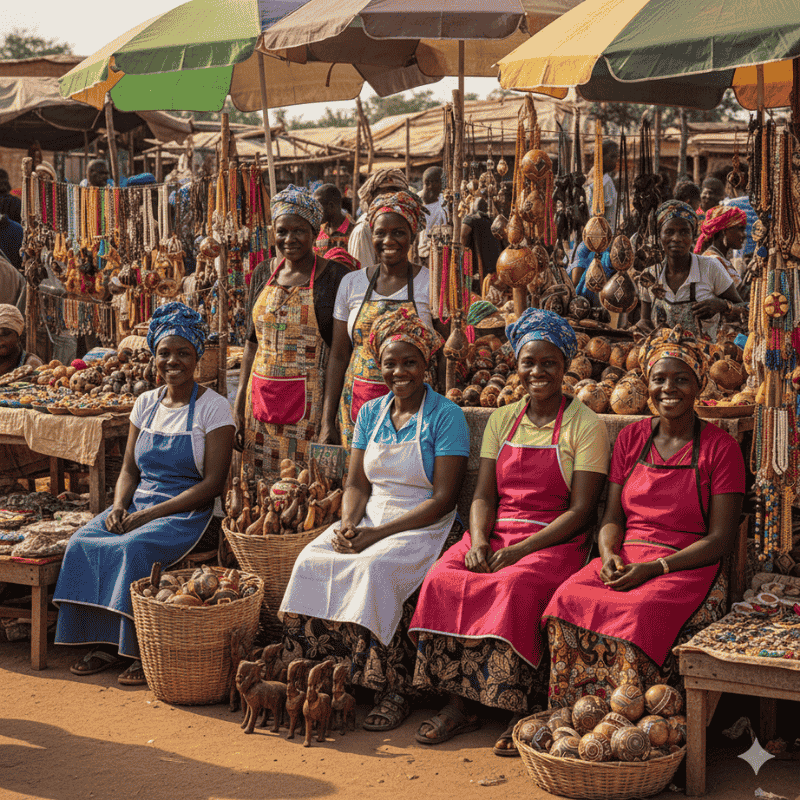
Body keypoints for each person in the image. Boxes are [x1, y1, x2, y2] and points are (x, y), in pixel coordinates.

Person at [410, 308, 610, 755]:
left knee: (514, 587)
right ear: (516, 366)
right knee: (445, 578)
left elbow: (579, 512)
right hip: (498, 533)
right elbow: (482, 496)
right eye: (529, 363)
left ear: (565, 367)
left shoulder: (585, 425)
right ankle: (458, 702)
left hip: (554, 539)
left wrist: (521, 553)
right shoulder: (502, 419)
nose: (538, 372)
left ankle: (518, 708)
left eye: (549, 363)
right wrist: (479, 540)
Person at [280, 309, 468, 732]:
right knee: (312, 559)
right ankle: (323, 674)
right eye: (390, 363)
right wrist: (348, 524)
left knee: (374, 569)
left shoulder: (445, 416)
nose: (399, 371)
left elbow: (443, 498)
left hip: (424, 523)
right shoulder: (370, 413)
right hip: (370, 515)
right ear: (377, 364)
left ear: (426, 366)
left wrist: (375, 536)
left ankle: (394, 688)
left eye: (409, 362)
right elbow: (357, 484)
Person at [544, 325, 745, 705]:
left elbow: (720, 540)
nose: (669, 389)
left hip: (686, 565)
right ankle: (576, 717)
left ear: (700, 386)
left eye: (681, 379)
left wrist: (657, 569)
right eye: (659, 379)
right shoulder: (631, 438)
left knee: (639, 611)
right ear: (647, 385)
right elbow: (612, 518)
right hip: (629, 556)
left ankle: (638, 723)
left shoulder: (722, 449)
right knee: (566, 598)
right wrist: (608, 556)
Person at [54, 303, 235, 685]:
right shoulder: (145, 403)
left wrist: (146, 517)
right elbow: (129, 470)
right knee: (82, 540)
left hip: (187, 513)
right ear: (154, 357)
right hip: (138, 504)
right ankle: (102, 641)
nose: (174, 361)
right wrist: (119, 506)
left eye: (183, 353)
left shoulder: (214, 409)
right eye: (165, 353)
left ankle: (138, 647)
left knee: (130, 548)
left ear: (197, 357)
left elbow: (211, 486)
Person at [233, 186, 349, 476]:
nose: (289, 239)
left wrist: (328, 421)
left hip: (309, 411)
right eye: (282, 231)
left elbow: (338, 353)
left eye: (299, 231)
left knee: (306, 490)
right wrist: (237, 407)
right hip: (259, 406)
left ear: (314, 231)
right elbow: (251, 345)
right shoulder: (262, 272)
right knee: (257, 494)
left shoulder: (336, 277)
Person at [321, 190, 435, 448]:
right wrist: (327, 421)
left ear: (413, 235)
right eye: (380, 232)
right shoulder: (352, 282)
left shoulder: (429, 283)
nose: (388, 240)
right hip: (356, 406)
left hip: (414, 407)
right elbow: (339, 355)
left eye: (398, 232)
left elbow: (443, 351)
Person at [638, 200, 743, 341]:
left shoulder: (710, 267)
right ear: (660, 236)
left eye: (684, 232)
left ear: (693, 236)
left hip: (704, 358)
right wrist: (640, 327)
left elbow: (745, 308)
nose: (676, 238)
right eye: (669, 232)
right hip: (660, 355)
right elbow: (645, 322)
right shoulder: (650, 275)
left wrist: (723, 306)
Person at [0, 304, 46, 492]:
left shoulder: (31, 363)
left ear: (18, 335)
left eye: (5, 334)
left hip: (24, 443)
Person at [347, 168, 409, 270]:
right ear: (372, 197)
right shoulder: (363, 230)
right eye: (385, 193)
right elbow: (364, 278)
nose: (391, 198)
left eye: (397, 193)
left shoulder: (404, 225)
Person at [694, 205, 747, 289]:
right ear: (724, 231)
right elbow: (740, 295)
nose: (744, 235)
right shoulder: (713, 260)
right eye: (740, 229)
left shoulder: (719, 258)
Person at [462, 197, 502, 285]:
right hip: (493, 268)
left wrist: (461, 250)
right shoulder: (491, 221)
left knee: (472, 290)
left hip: (477, 269)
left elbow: (463, 234)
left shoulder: (471, 219)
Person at [313, 183, 355, 257]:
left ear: (331, 206)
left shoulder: (353, 233)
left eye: (318, 208)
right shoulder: (318, 231)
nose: (315, 213)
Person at [417, 167, 449, 264]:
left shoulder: (443, 199)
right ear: (430, 183)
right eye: (441, 182)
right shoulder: (418, 200)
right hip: (426, 254)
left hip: (440, 252)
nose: (443, 185)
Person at [585, 140, 619, 227]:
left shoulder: (606, 179)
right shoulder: (602, 182)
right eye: (612, 157)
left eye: (616, 157)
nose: (615, 161)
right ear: (601, 157)